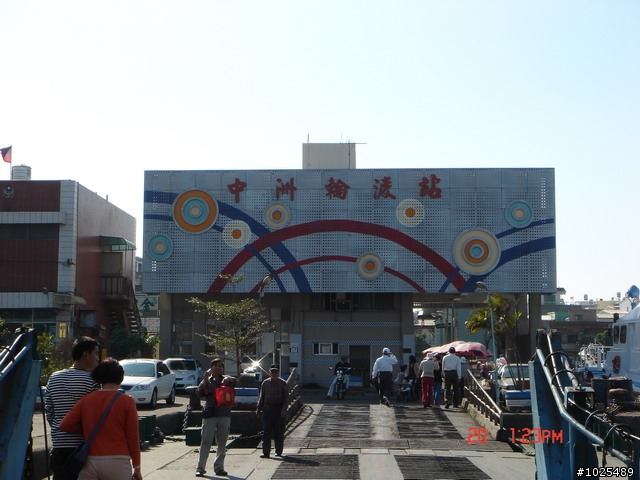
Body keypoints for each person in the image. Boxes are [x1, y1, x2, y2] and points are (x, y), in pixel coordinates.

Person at [59, 358, 142, 480]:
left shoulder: (86, 400)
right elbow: (133, 437)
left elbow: (64, 425)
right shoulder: (127, 401)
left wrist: (87, 427)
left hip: (90, 461)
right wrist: (137, 467)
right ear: (120, 378)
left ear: (100, 378)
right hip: (118, 461)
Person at [45, 336, 100, 480]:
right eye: (96, 353)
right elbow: (95, 416)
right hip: (82, 449)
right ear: (85, 355)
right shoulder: (92, 380)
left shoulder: (54, 377)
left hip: (59, 447)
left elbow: (49, 412)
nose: (97, 358)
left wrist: (59, 429)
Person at [196, 358, 235, 477]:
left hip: (224, 413)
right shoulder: (207, 381)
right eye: (216, 366)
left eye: (220, 366)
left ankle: (219, 467)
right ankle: (200, 468)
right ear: (211, 367)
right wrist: (205, 380)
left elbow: (235, 381)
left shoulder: (226, 380)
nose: (218, 368)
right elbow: (200, 393)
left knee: (222, 442)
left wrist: (229, 379)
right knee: (206, 441)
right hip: (210, 414)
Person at [256, 364, 289, 458]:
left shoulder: (283, 383)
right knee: (266, 431)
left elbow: (286, 398)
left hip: (278, 409)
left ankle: (278, 451)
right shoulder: (265, 383)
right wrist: (258, 409)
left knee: (278, 431)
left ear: (278, 373)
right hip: (267, 408)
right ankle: (266, 452)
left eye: (276, 372)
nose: (274, 373)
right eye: (272, 372)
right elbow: (262, 397)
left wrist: (283, 410)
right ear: (269, 372)